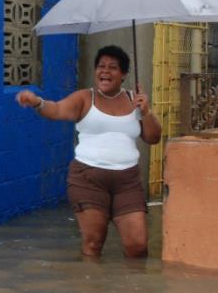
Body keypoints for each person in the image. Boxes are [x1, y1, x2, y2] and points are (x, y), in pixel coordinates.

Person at [16, 45, 162, 258]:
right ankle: (90, 280)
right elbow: (56, 110)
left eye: (113, 67)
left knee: (138, 246)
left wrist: (146, 112)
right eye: (101, 66)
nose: (105, 71)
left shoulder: (136, 100)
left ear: (123, 75)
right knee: (93, 243)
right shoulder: (84, 98)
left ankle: (133, 280)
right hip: (88, 180)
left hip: (128, 182)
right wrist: (37, 102)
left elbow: (153, 138)